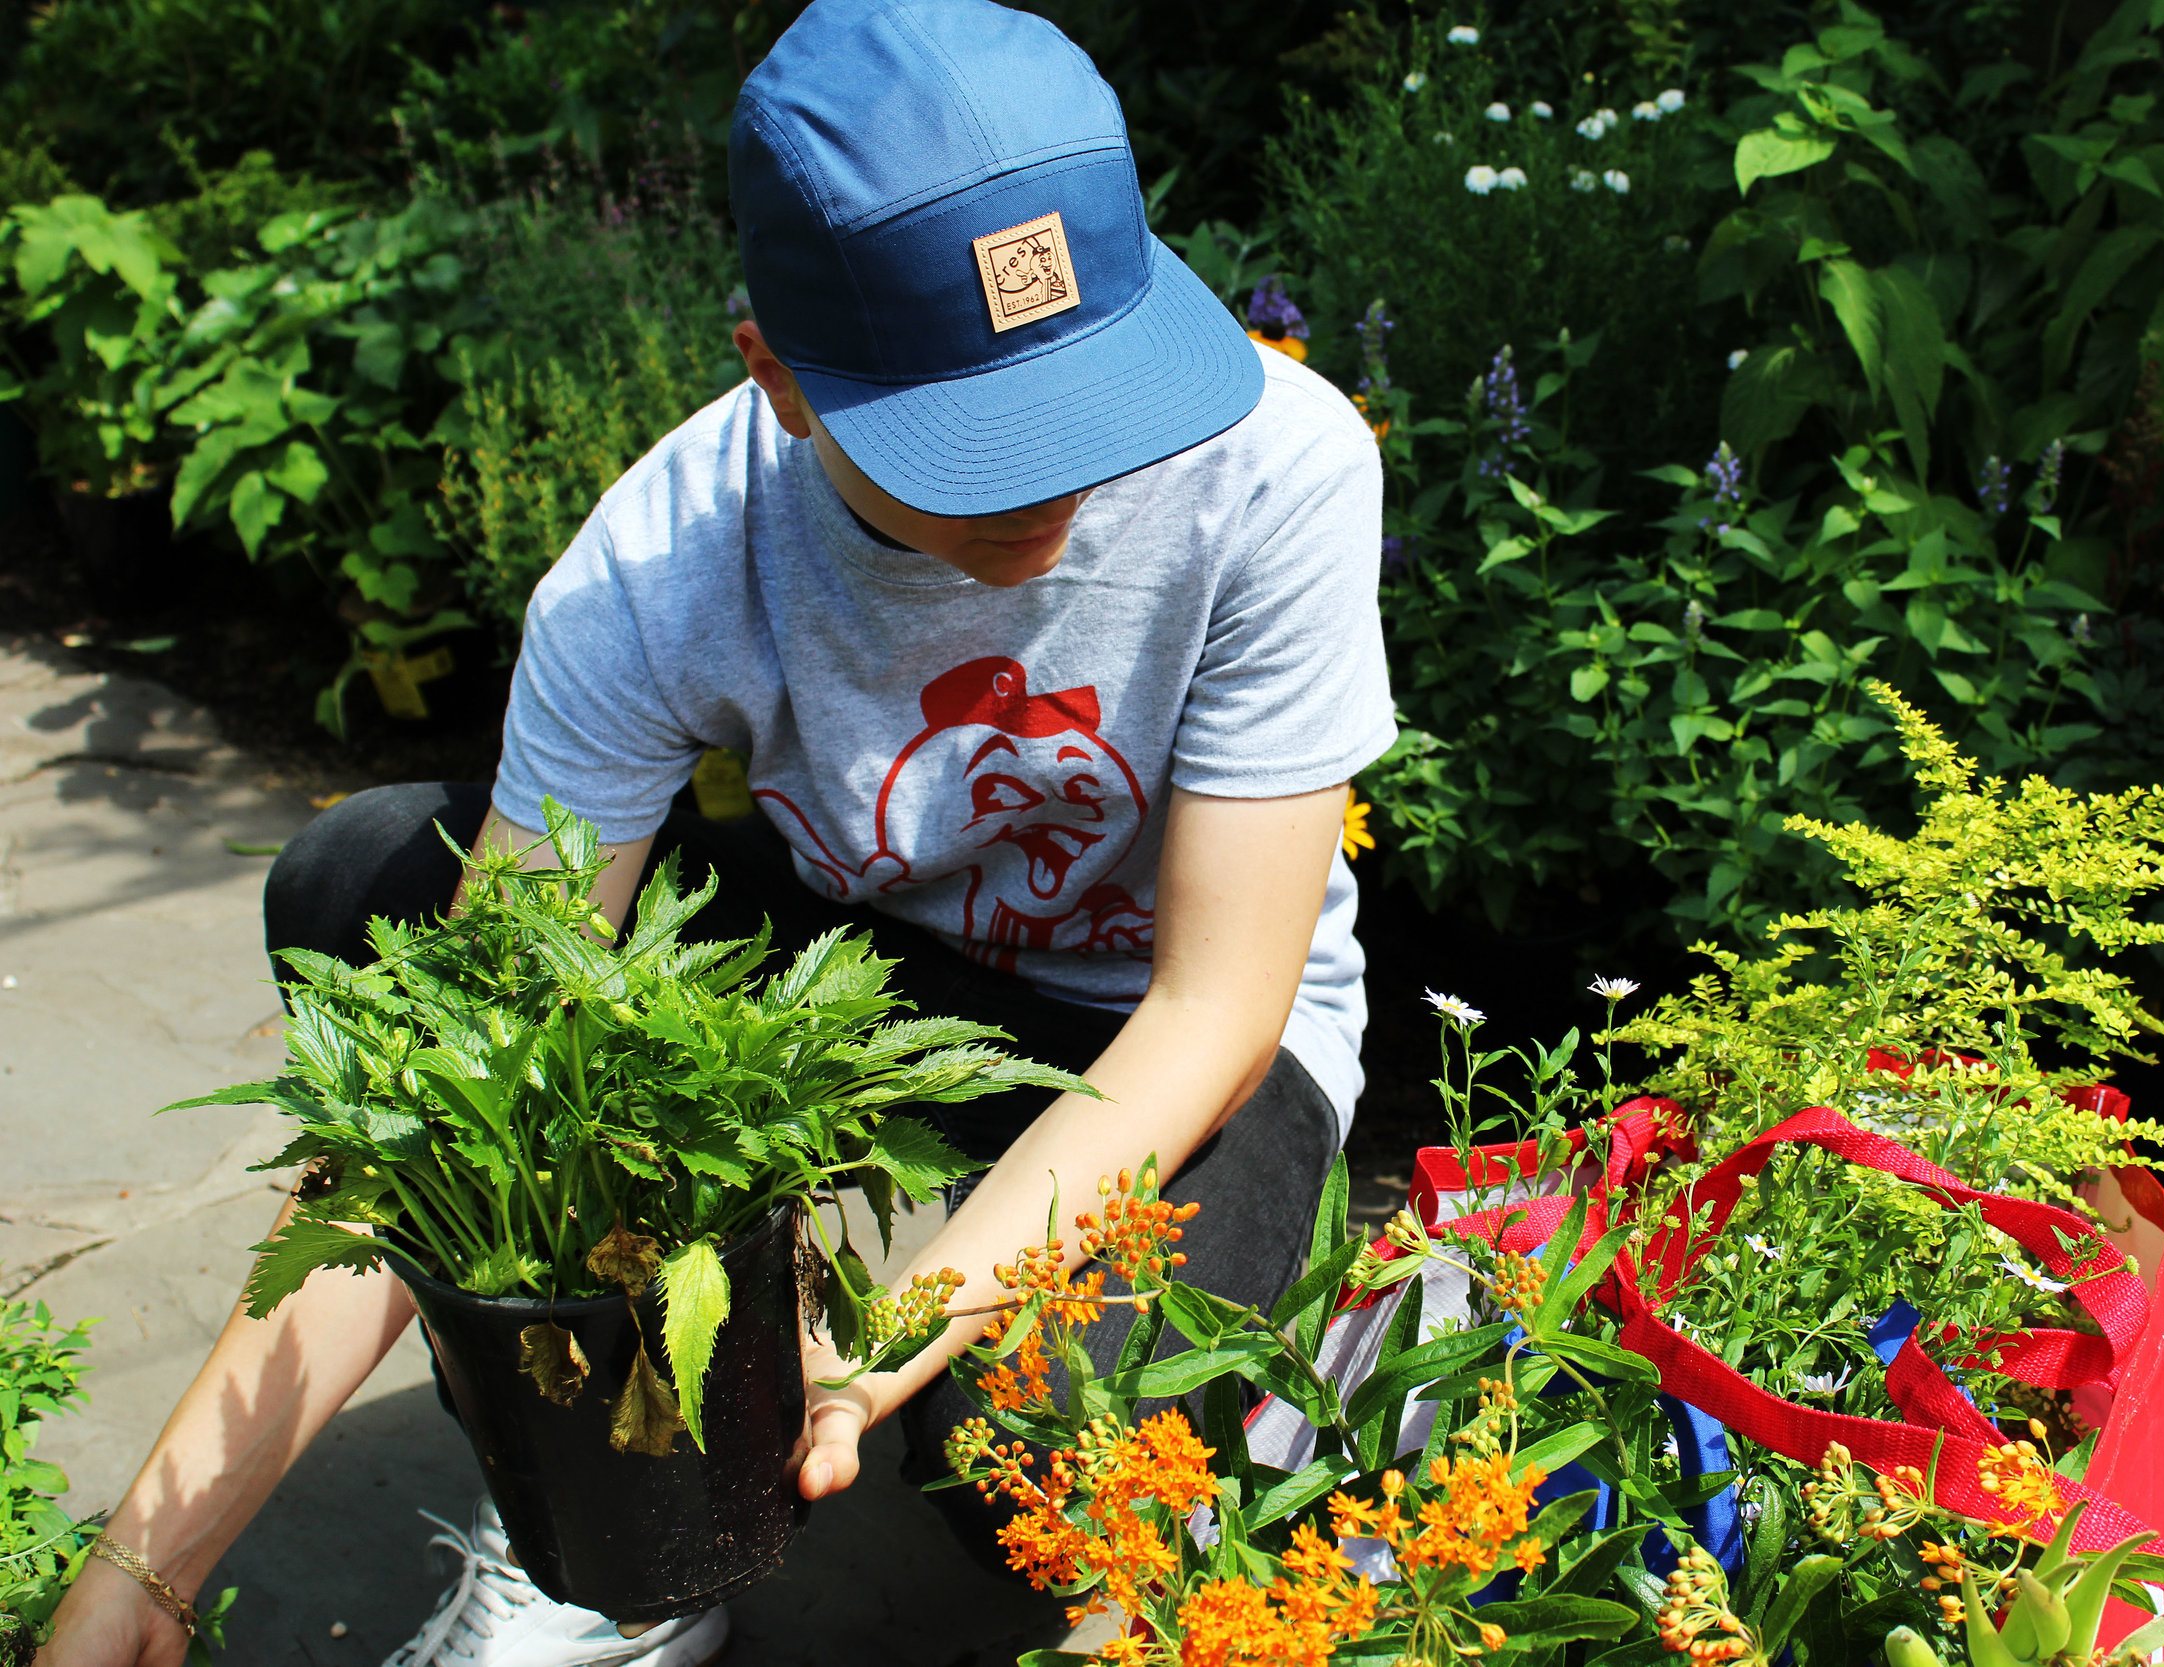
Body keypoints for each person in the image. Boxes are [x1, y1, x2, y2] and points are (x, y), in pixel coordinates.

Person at [35, 2, 1393, 1663]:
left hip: (1172, 1016)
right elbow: (447, 1099)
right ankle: (615, 1539)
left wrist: (910, 1323)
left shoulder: (1281, 463)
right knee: (375, 889)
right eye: (977, 450)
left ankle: (1312, 1349)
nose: (1062, 488)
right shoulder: (660, 563)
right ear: (783, 380)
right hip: (869, 965)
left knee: (1036, 1458)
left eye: (1096, 399)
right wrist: (150, 1564)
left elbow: (1216, 1012)